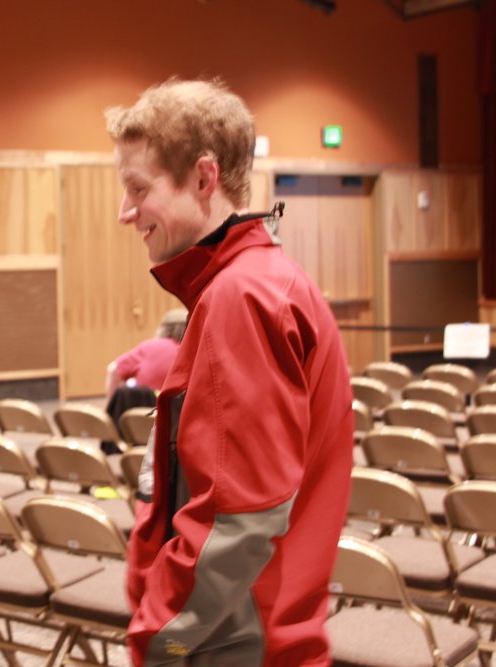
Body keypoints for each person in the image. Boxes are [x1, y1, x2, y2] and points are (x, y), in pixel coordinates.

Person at [106, 78, 353, 666]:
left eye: (138, 189)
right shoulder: (250, 284)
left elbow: (237, 520)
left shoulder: (242, 297)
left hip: (231, 646)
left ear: (203, 179)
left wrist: (162, 640)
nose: (125, 212)